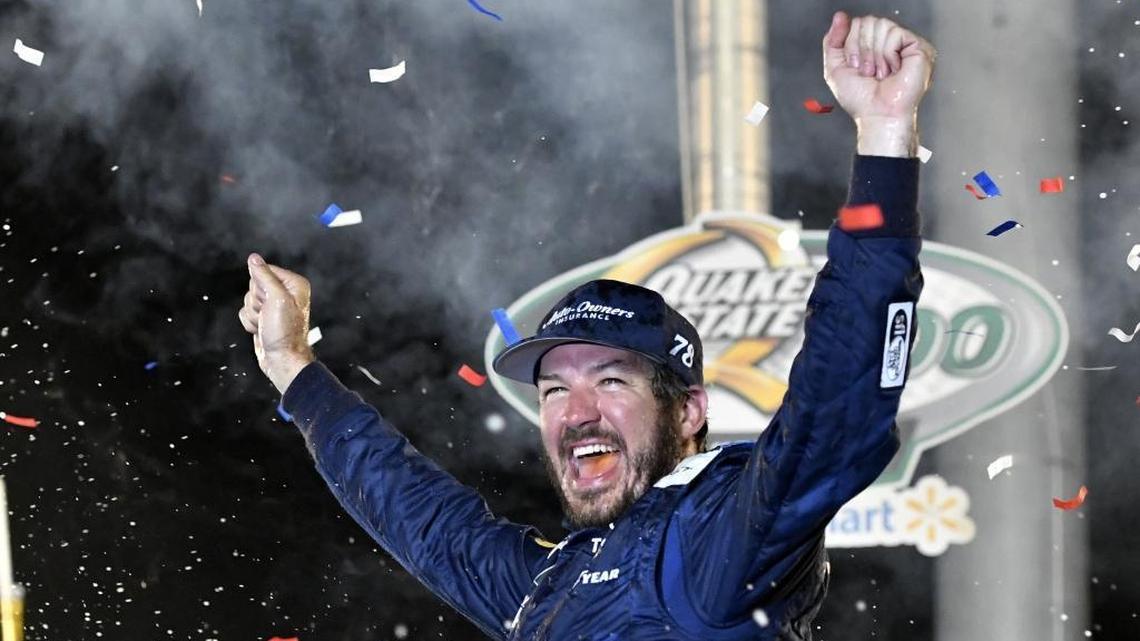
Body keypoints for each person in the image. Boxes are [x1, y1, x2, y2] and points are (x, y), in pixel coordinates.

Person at [237, 10, 934, 640]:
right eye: (552, 391)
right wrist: (292, 368)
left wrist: (883, 137)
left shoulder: (716, 543)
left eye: (609, 378)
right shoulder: (543, 586)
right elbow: (417, 514)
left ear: (688, 409)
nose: (577, 414)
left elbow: (838, 401)